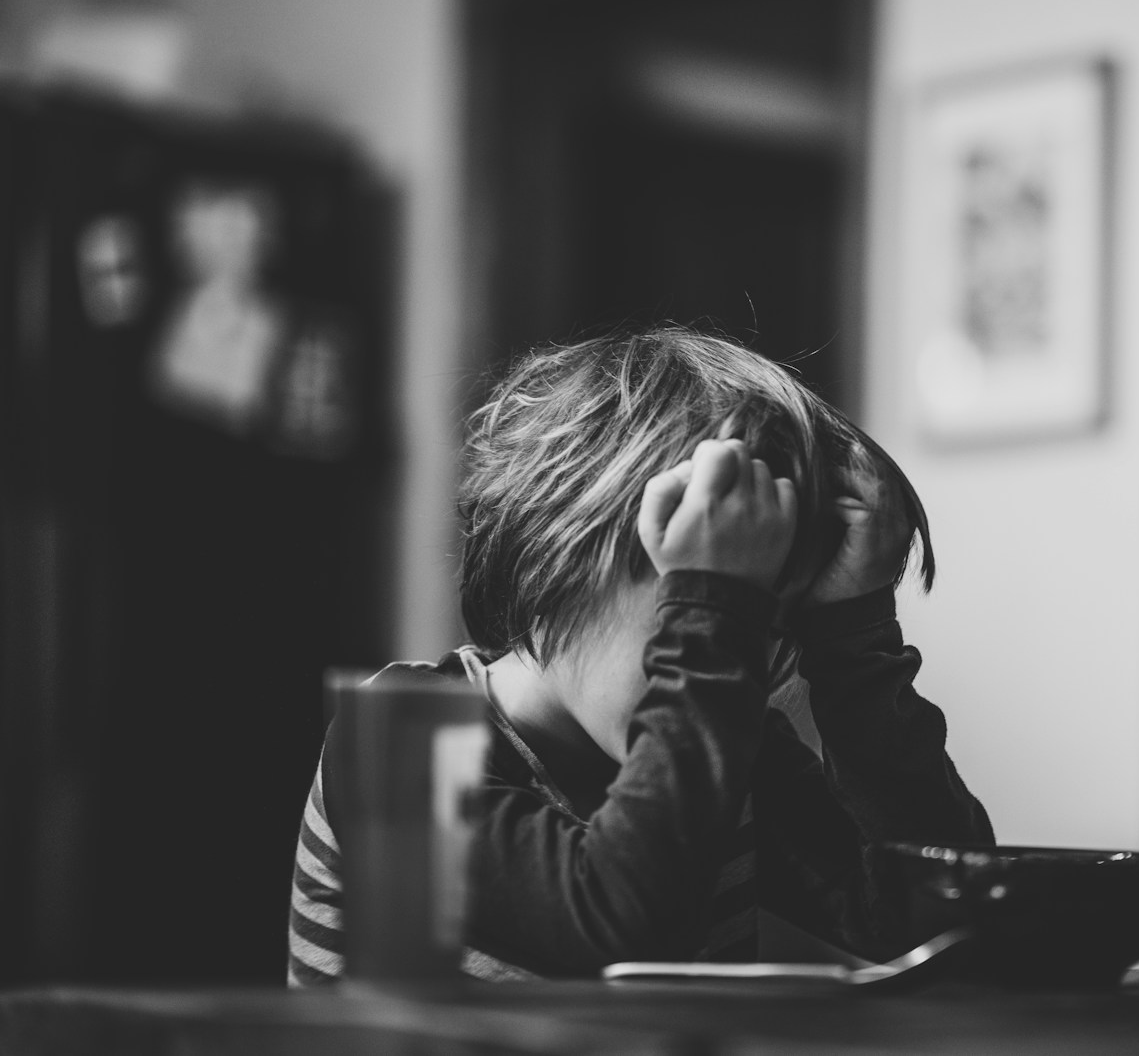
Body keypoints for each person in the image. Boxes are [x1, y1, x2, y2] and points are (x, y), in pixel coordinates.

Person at [288, 326, 993, 984]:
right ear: (566, 549)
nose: (732, 660)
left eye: (765, 632)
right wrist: (717, 611)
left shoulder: (721, 738)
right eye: (694, 611)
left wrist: (853, 640)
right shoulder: (397, 737)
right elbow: (616, 927)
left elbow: (932, 910)